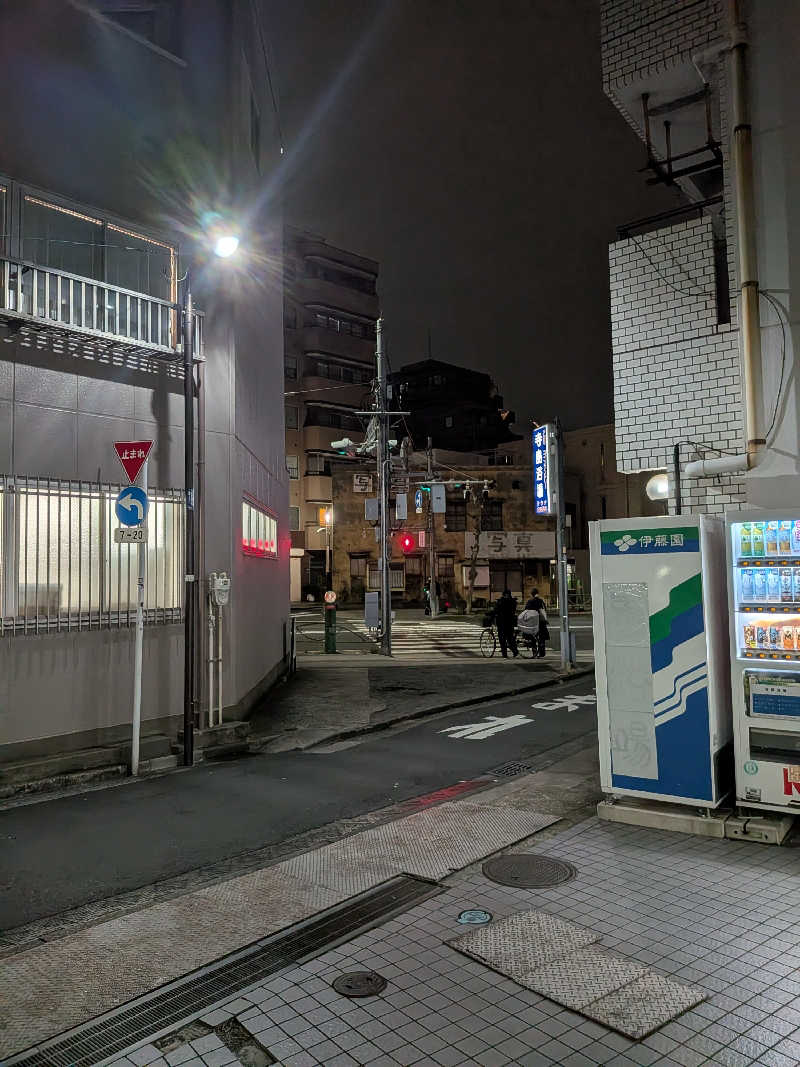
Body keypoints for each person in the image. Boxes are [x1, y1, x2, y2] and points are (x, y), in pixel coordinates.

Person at [494, 589, 519, 658]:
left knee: (502, 639)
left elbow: (496, 610)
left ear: (503, 595)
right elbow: (514, 610)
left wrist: (490, 614)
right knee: (510, 638)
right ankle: (515, 651)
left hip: (502, 623)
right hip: (510, 622)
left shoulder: (501, 601)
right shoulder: (513, 602)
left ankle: (504, 654)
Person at [525, 588, 549, 658]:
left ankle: (534, 652)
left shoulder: (530, 601)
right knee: (542, 637)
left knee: (533, 637)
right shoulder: (541, 601)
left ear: (531, 594)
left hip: (533, 622)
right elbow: (544, 610)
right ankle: (542, 652)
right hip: (541, 621)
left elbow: (526, 611)